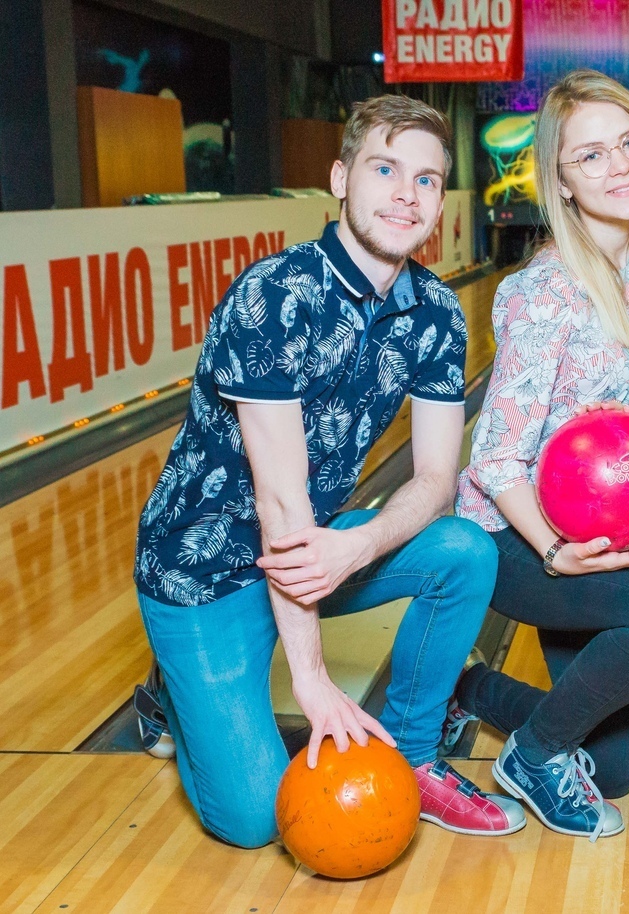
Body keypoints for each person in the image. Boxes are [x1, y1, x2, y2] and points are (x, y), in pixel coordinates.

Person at [133, 95, 524, 848]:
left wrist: (359, 546)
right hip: (203, 573)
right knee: (253, 822)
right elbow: (280, 501)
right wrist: (310, 682)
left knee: (465, 551)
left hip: (315, 550)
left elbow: (437, 478)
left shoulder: (436, 314)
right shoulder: (273, 297)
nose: (407, 194)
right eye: (386, 169)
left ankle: (412, 758)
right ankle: (168, 697)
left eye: (427, 180)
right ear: (341, 178)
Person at [451, 69, 629, 841]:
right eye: (591, 157)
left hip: (595, 518)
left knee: (621, 766)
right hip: (518, 537)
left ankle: (463, 691)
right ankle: (533, 756)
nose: (621, 165)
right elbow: (496, 459)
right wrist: (554, 550)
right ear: (562, 184)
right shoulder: (545, 293)